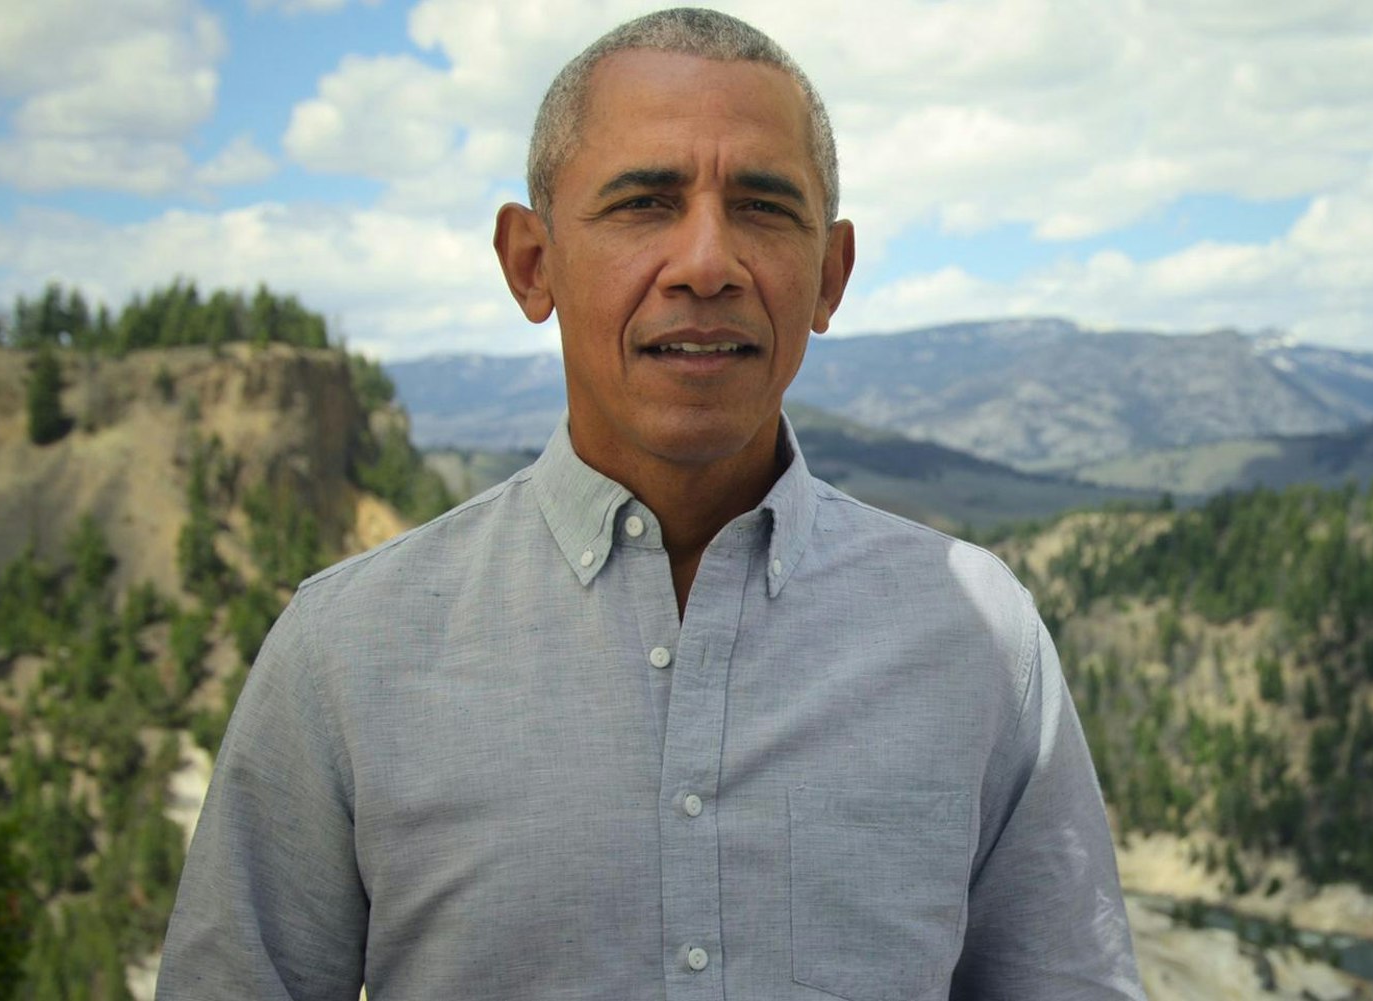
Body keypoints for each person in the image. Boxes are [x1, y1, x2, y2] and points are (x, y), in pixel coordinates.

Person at [155, 8, 1144, 1000]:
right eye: (643, 203)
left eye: (762, 207)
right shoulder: (347, 650)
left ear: (829, 275)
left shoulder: (977, 639)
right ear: (531, 262)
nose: (706, 263)